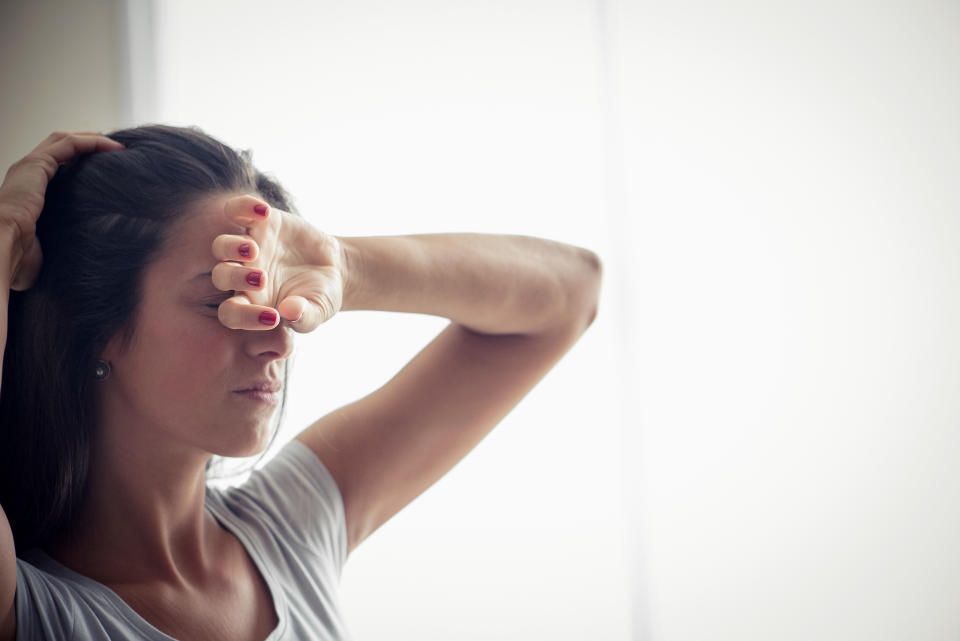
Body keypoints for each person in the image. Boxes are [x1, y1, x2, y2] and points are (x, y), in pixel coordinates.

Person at [0, 126, 602, 641]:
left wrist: (344, 267)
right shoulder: (33, 611)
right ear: (93, 323)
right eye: (222, 302)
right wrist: (4, 234)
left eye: (272, 300)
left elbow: (573, 291)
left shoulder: (289, 527)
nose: (279, 338)